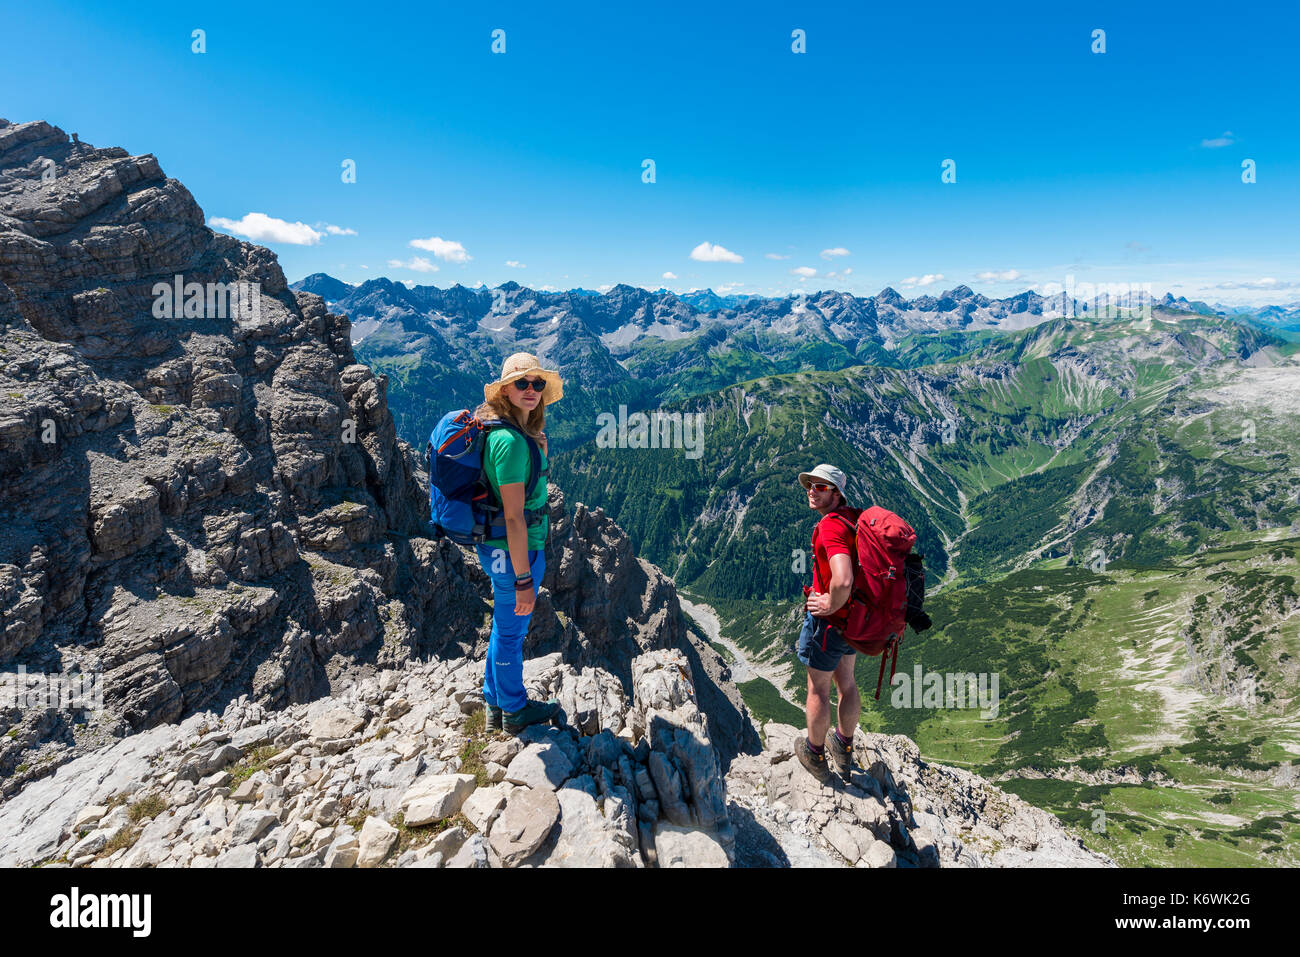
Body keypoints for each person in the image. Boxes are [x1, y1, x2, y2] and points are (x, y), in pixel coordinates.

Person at [473, 353, 564, 734]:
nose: (531, 390)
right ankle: (514, 710)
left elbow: (527, 489)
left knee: (503, 626)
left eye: (538, 384)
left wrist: (539, 452)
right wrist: (524, 577)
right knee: (512, 633)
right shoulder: (509, 442)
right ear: (504, 390)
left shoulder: (515, 436)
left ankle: (494, 701)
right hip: (516, 551)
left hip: (501, 549)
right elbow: (513, 515)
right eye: (522, 383)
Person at [794, 464, 862, 784]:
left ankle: (815, 753)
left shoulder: (831, 527)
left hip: (830, 625)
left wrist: (829, 604)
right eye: (811, 484)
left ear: (836, 493)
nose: (812, 490)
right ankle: (843, 746)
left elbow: (844, 578)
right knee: (846, 682)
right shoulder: (855, 518)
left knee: (818, 690)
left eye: (821, 487)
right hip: (855, 623)